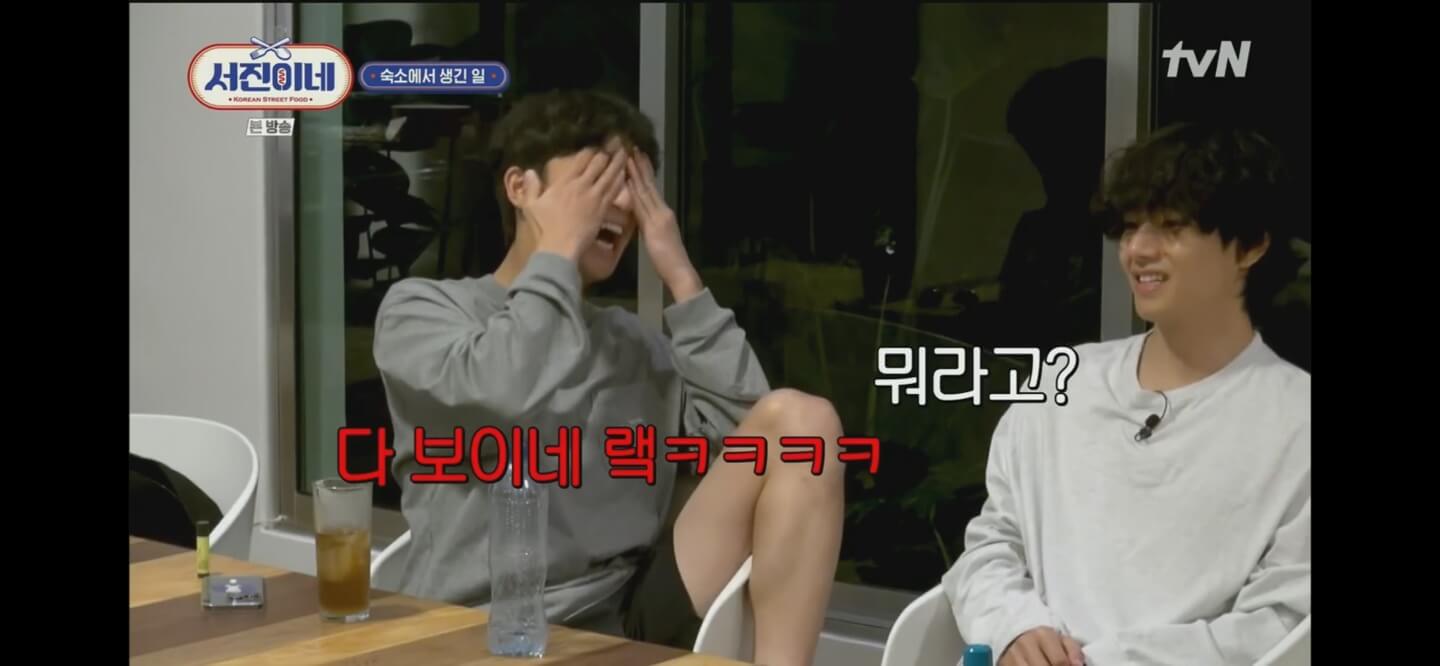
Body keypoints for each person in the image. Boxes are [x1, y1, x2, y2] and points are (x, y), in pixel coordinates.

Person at [372, 89, 845, 666]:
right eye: (597, 180)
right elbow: (502, 389)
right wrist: (558, 252)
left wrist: (681, 276)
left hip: (624, 618)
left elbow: (749, 451)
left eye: (634, 185)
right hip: (475, 631)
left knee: (805, 422)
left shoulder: (630, 342)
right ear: (520, 187)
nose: (621, 202)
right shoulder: (424, 312)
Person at [942, 123, 1310, 666]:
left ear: (1251, 245)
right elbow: (992, 543)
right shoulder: (1062, 383)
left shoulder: (1295, 421)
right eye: (1131, 226)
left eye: (1172, 226)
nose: (1137, 250)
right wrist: (1014, 629)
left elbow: (1282, 625)